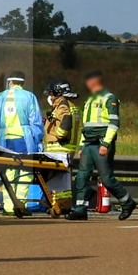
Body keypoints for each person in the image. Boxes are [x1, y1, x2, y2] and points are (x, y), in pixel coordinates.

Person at [66, 70, 137, 221]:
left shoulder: (109, 98)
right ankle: (80, 209)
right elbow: (86, 126)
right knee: (81, 177)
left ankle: (127, 202)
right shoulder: (89, 101)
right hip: (88, 144)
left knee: (106, 179)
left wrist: (105, 143)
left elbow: (114, 123)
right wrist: (81, 145)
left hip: (101, 143)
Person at [0, 71, 43, 213]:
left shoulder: (0, 97)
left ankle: (9, 206)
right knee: (25, 170)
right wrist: (38, 142)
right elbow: (35, 122)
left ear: (10, 82)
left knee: (7, 171)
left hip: (5, 139)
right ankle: (20, 205)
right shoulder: (29, 97)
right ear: (22, 82)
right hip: (24, 138)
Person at [43, 78, 81, 215]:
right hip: (66, 148)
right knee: (62, 181)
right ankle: (61, 206)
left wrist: (58, 135)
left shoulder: (63, 106)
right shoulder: (71, 105)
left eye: (51, 94)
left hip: (59, 147)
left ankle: (61, 206)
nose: (50, 97)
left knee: (59, 180)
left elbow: (65, 123)